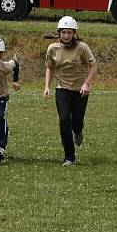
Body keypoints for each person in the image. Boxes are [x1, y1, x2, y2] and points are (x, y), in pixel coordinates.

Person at [44, 16, 98, 167]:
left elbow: (94, 67)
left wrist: (87, 84)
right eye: (63, 33)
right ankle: (69, 157)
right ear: (59, 33)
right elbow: (50, 67)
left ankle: (78, 131)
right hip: (62, 89)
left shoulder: (82, 47)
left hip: (80, 90)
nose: (66, 36)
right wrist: (47, 87)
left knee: (77, 123)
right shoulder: (52, 48)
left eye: (69, 33)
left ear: (74, 33)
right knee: (63, 121)